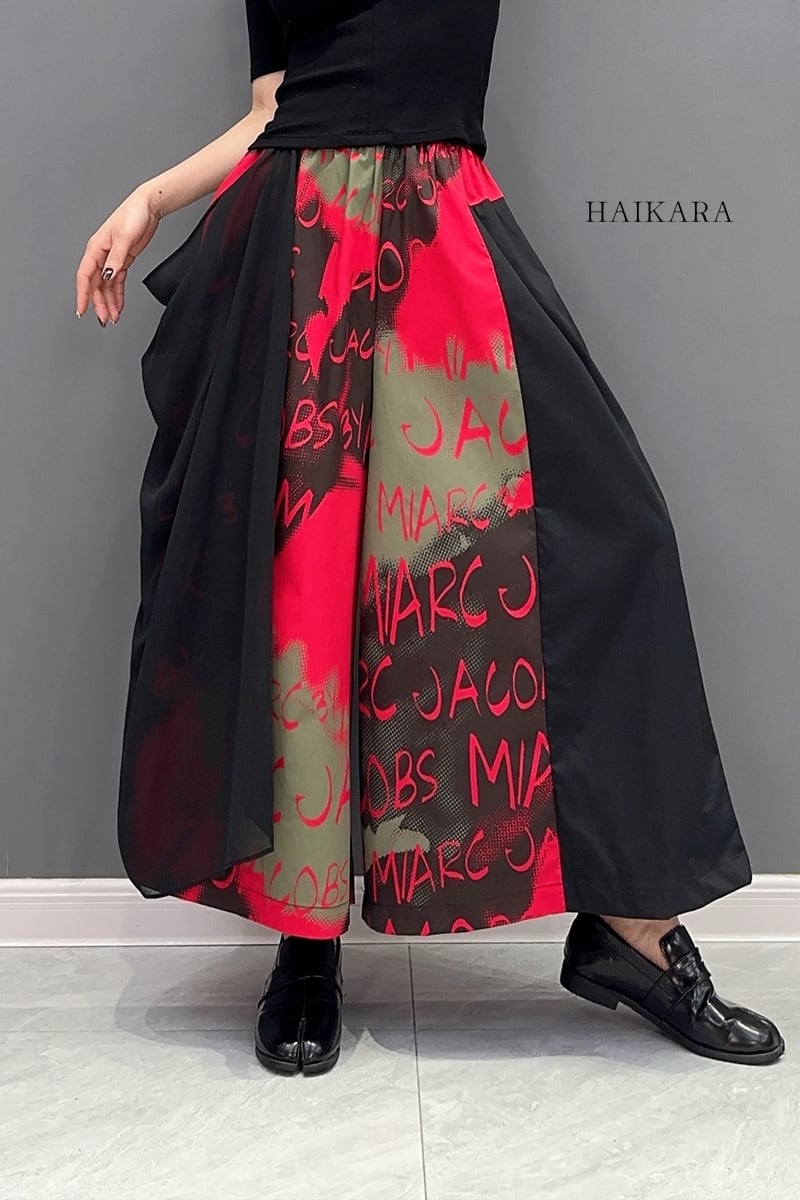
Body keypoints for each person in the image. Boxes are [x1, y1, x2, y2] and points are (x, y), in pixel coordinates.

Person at [75, 0, 784, 1077]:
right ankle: (306, 940)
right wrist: (149, 199)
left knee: (614, 535)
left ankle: (629, 931)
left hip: (441, 227)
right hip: (305, 242)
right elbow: (273, 109)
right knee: (308, 597)